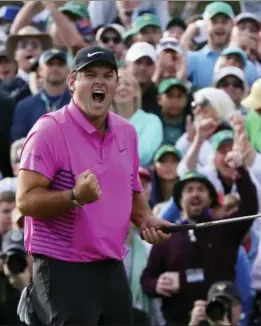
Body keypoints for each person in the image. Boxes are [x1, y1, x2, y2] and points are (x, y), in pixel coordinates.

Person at [15, 45, 172, 325]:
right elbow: (25, 201)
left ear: (116, 84)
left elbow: (132, 189)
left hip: (111, 266)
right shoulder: (49, 130)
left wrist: (146, 218)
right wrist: (74, 196)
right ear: (72, 82)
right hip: (63, 266)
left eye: (107, 75)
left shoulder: (126, 131)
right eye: (89, 75)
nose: (99, 81)